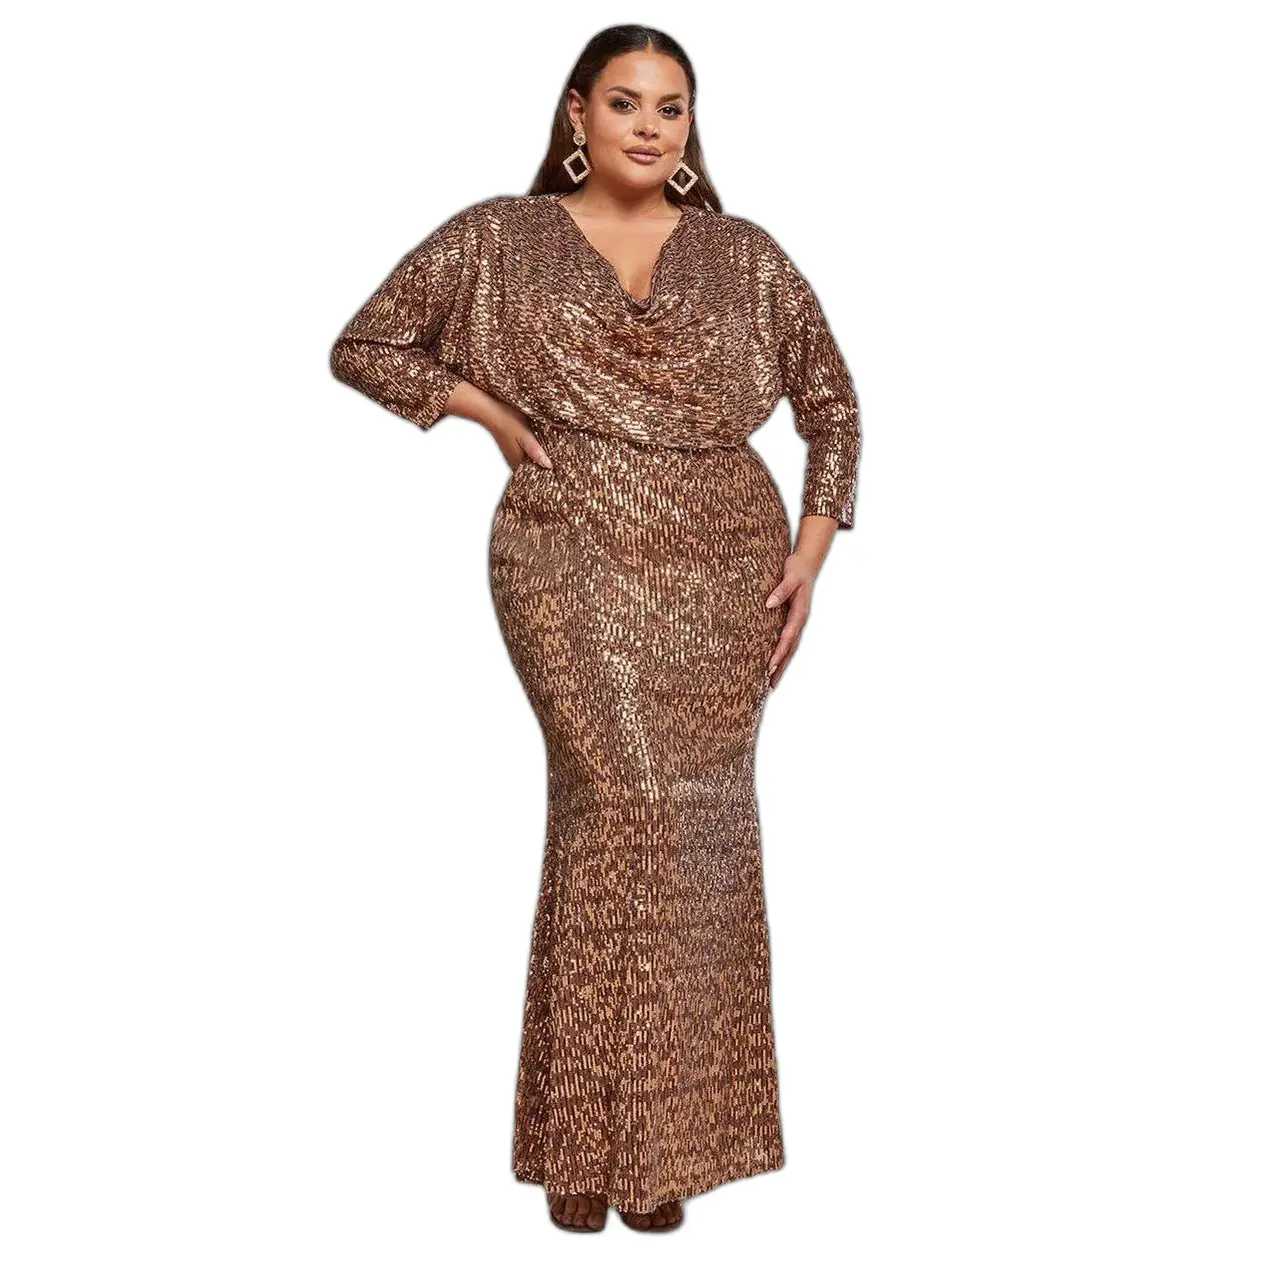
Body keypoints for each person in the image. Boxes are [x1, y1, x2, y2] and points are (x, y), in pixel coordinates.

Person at [328, 24, 861, 1234]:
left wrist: (809, 558)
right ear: (577, 113)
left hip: (727, 574)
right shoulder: (499, 237)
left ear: (691, 125)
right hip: (568, 555)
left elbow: (835, 407)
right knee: (616, 807)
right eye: (625, 103)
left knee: (693, 839)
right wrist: (480, 408)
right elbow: (363, 345)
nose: (648, 127)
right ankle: (581, 1139)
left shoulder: (744, 255)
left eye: (671, 108)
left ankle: (655, 1154)